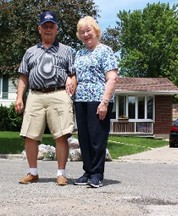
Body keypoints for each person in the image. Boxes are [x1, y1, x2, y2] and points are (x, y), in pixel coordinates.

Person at [15, 11, 76, 186]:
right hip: (35, 95)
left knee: (62, 135)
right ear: (39, 29)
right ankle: (33, 172)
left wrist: (72, 85)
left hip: (59, 94)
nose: (48, 29)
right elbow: (23, 76)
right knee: (30, 135)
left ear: (57, 29)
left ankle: (61, 173)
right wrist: (20, 97)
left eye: (51, 26)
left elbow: (73, 74)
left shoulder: (66, 50)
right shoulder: (30, 52)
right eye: (45, 26)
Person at [73, 16, 118, 188]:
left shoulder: (105, 50)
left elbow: (112, 78)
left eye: (88, 30)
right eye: (82, 32)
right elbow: (76, 75)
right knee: (84, 138)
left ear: (96, 30)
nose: (86, 34)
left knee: (97, 138)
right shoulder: (79, 53)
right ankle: (88, 171)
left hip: (98, 100)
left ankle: (98, 174)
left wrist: (104, 102)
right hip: (81, 99)